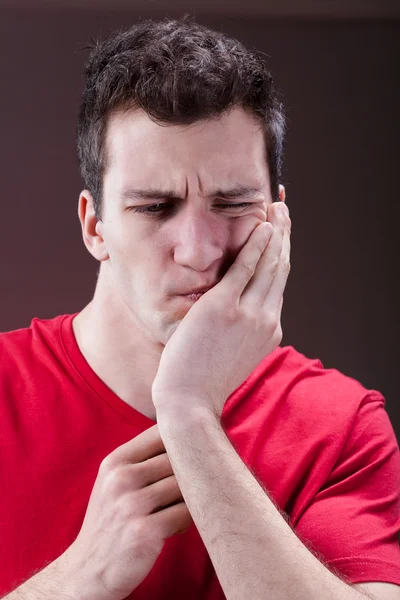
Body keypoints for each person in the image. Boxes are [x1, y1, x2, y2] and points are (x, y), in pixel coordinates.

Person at [0, 14, 399, 600]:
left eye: (233, 204)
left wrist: (188, 412)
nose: (198, 251)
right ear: (94, 225)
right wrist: (83, 574)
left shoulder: (342, 428)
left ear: (277, 217)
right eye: (156, 207)